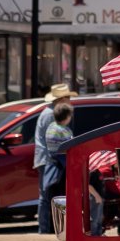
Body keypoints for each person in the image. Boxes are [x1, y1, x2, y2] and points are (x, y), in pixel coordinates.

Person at [34, 83, 74, 232]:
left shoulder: (47, 112)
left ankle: (46, 228)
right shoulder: (52, 114)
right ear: (61, 99)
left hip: (45, 158)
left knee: (46, 196)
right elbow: (55, 142)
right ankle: (44, 229)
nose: (70, 100)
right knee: (46, 196)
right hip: (49, 159)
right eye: (68, 97)